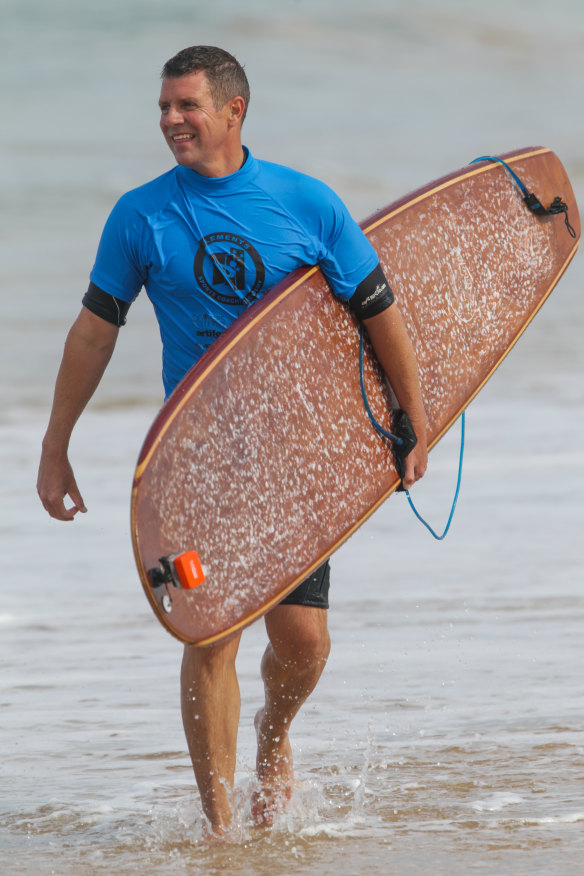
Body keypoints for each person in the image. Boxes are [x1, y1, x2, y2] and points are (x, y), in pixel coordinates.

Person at [37, 45, 428, 837]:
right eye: (162, 108)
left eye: (185, 106)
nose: (170, 121)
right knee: (211, 630)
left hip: (290, 457)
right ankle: (222, 829)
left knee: (305, 643)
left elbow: (379, 307)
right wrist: (56, 445)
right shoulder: (139, 215)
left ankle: (274, 734)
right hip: (193, 457)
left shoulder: (305, 203)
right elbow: (93, 334)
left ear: (232, 110)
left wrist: (415, 418)